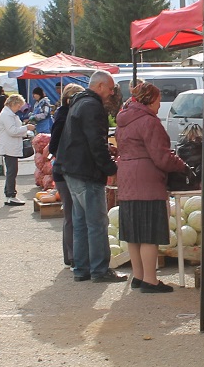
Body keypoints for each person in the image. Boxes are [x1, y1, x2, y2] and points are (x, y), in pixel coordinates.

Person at [114, 82, 189, 292]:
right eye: (158, 100)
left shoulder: (124, 120)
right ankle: (150, 280)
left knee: (134, 233)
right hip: (146, 180)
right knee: (148, 233)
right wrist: (182, 166)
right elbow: (162, 157)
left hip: (127, 178)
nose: (159, 105)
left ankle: (138, 276)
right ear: (150, 99)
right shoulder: (149, 122)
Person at [59, 70, 123, 283]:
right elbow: (95, 142)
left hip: (73, 170)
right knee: (96, 223)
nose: (112, 93)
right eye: (111, 88)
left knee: (81, 222)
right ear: (100, 86)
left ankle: (82, 268)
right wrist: (110, 168)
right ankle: (99, 269)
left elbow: (88, 139)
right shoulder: (92, 106)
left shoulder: (79, 103)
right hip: (86, 172)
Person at [48, 83, 84, 267]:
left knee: (71, 214)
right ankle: (72, 256)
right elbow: (53, 145)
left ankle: (71, 255)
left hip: (64, 169)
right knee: (71, 214)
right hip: (65, 170)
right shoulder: (64, 117)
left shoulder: (64, 115)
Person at [0, 93, 32, 205]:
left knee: (12, 171)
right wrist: (26, 128)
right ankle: (11, 195)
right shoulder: (7, 115)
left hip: (10, 146)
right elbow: (12, 131)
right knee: (12, 171)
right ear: (14, 104)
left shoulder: (8, 113)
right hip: (9, 146)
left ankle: (9, 194)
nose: (19, 108)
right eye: (18, 106)